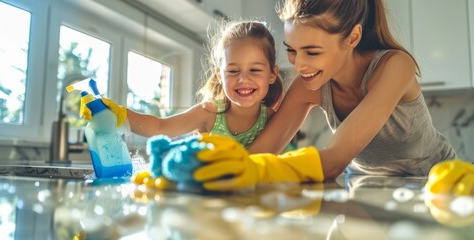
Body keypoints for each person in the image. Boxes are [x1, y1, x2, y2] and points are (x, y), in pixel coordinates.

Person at [188, 0, 461, 191]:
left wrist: (251, 170)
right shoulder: (309, 85)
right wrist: (205, 167)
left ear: (352, 38)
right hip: (364, 187)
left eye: (312, 52)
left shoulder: (395, 66)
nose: (298, 65)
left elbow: (334, 159)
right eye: (292, 50)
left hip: (435, 183)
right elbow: (259, 153)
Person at [81, 20, 283, 148]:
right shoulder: (210, 113)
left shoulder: (273, 120)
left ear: (272, 75)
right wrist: (120, 114)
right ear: (219, 75)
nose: (243, 79)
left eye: (255, 70)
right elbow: (159, 126)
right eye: (233, 70)